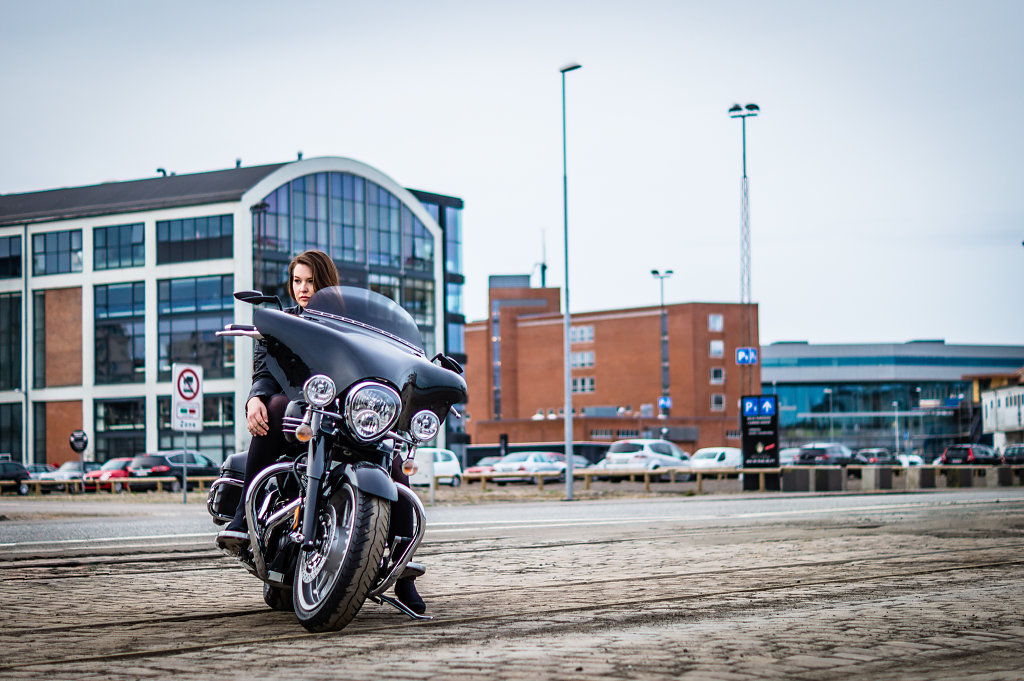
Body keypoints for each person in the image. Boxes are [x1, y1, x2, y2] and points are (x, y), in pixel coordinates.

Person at [216, 249, 425, 614]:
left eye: (311, 281)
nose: (303, 288)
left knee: (395, 469)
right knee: (274, 408)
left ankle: (402, 573)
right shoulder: (284, 322)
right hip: (302, 414)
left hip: (346, 419)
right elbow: (264, 372)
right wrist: (254, 400)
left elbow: (384, 358)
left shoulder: (355, 325)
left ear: (325, 282)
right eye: (297, 281)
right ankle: (242, 521)